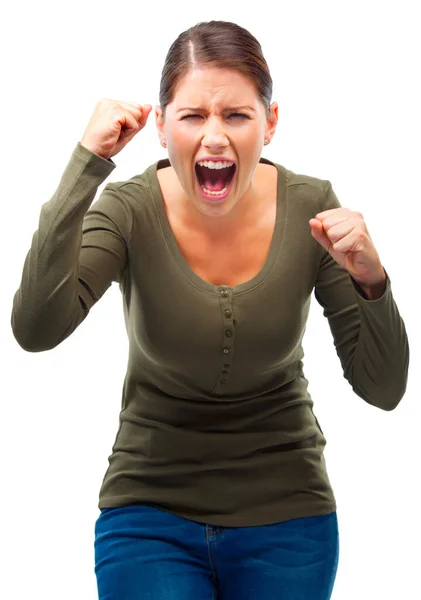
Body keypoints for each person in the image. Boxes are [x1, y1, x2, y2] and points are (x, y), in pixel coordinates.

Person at [11, 19, 409, 600]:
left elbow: (384, 388)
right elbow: (35, 328)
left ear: (270, 124)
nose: (214, 137)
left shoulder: (313, 208)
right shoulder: (128, 209)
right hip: (149, 511)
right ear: (162, 126)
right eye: (193, 116)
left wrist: (373, 281)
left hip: (289, 513)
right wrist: (85, 164)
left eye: (237, 115)